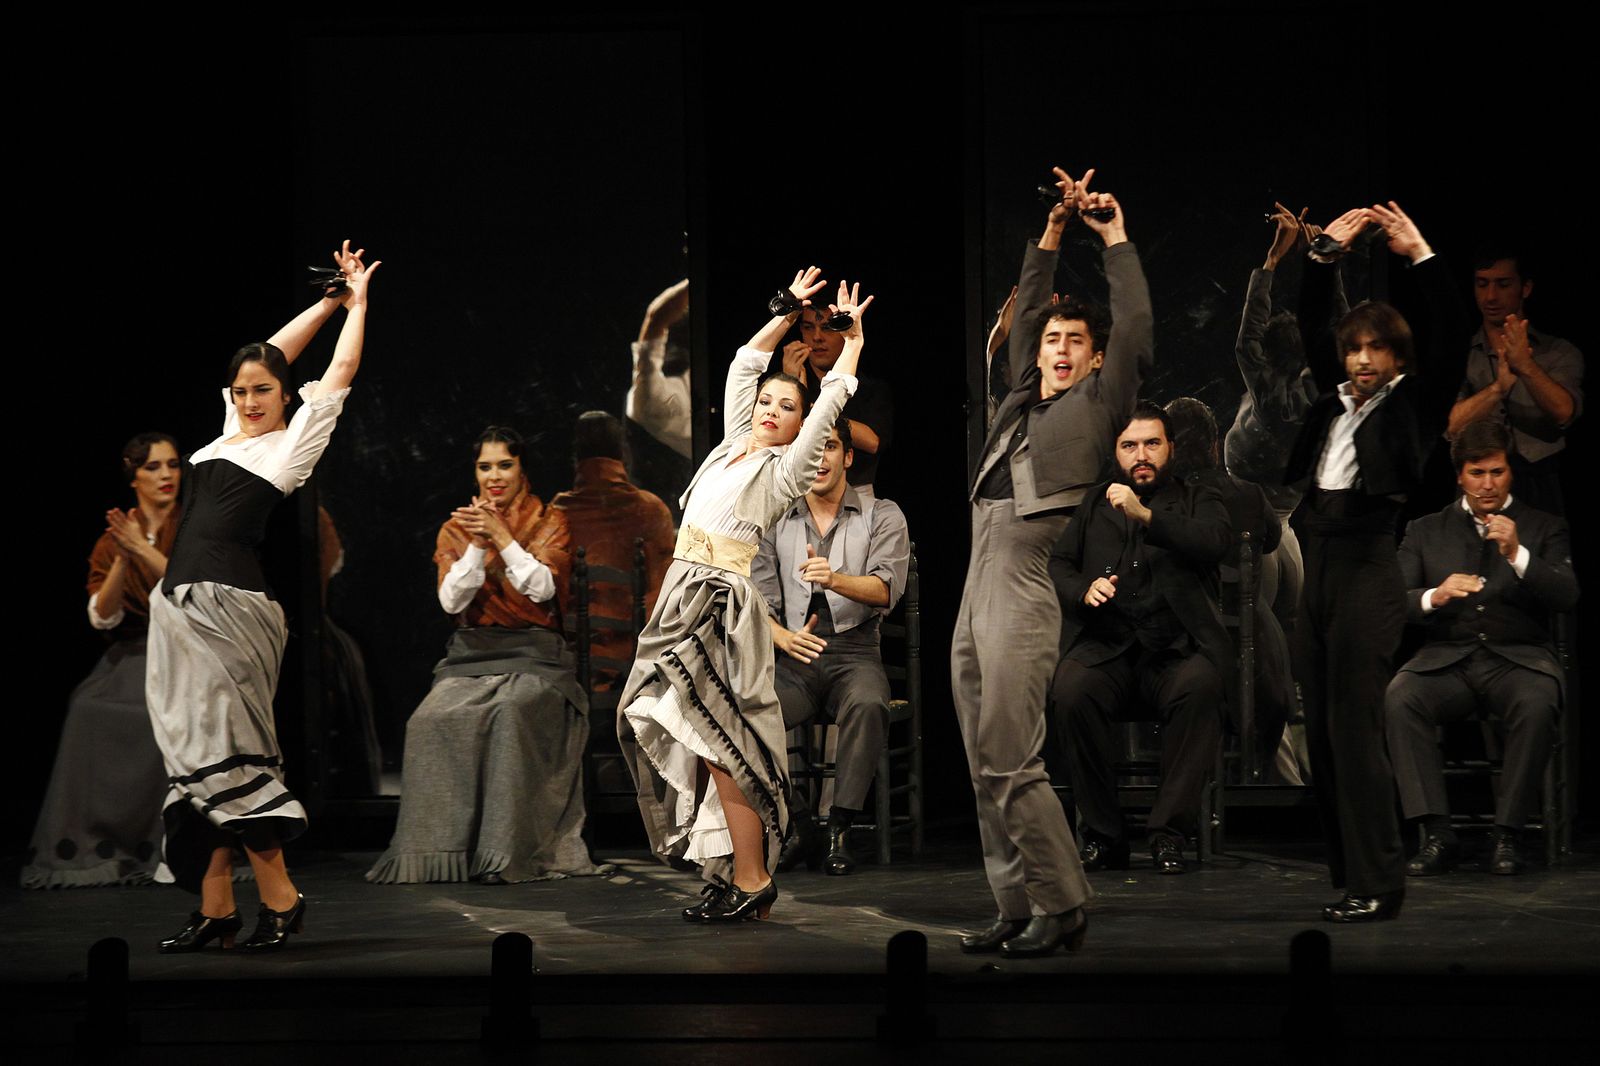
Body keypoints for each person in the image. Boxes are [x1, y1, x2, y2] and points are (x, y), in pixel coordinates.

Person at [618, 268, 872, 922]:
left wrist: (851, 342)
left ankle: (754, 876)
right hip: (682, 593)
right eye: (769, 401)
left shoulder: (783, 470)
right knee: (692, 737)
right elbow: (744, 363)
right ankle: (728, 868)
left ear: (796, 431)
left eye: (787, 408)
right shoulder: (732, 445)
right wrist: (788, 312)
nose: (773, 410)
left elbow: (829, 405)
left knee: (721, 742)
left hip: (719, 603)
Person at [146, 240, 377, 952]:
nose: (249, 400)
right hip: (179, 603)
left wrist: (358, 305)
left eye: (262, 391)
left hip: (231, 609)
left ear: (284, 398)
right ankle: (218, 908)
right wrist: (329, 298)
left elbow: (335, 372)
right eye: (242, 390)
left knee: (231, 753)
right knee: (191, 757)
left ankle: (280, 897)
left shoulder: (289, 447)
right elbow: (270, 350)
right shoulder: (224, 437)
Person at [954, 167, 1152, 958]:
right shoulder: (1016, 401)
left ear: (1096, 360)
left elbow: (1133, 324)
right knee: (979, 755)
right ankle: (1016, 903)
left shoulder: (1100, 403)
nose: (1059, 348)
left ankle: (1062, 901)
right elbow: (1029, 306)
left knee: (1009, 748)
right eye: (1051, 341)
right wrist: (1051, 233)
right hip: (978, 568)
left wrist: (1111, 237)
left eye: (1075, 342)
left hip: (1024, 573)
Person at [1285, 202, 1468, 923]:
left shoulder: (1411, 406)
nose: (1361, 359)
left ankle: (1380, 881)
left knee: (1357, 728)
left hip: (1368, 565)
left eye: (1375, 350)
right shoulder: (1334, 404)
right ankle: (1350, 873)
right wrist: (1324, 251)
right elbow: (1310, 326)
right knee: (1324, 733)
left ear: (1397, 359)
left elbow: (1452, 334)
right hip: (1319, 561)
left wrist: (1419, 251)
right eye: (1354, 348)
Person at [367, 427, 608, 885]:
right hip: (470, 658)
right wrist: (479, 544)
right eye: (484, 466)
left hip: (536, 656)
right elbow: (451, 603)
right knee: (427, 722)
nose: (494, 476)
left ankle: (502, 852)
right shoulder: (457, 529)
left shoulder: (549, 519)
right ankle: (440, 852)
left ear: (523, 470)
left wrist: (503, 537)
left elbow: (542, 589)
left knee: (509, 714)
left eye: (504, 465)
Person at [1385, 419, 1577, 876]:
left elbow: (1567, 594)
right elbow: (1392, 601)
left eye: (1496, 472)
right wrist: (1436, 595)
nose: (1487, 484)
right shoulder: (1425, 530)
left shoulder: (1544, 526)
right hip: (1448, 659)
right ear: (1459, 475)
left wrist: (1518, 554)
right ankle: (1436, 832)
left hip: (1519, 658)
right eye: (1477, 473)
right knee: (1400, 697)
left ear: (1510, 472)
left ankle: (1506, 834)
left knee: (1537, 702)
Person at [1049, 403, 1231, 875]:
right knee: (1071, 690)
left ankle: (1168, 833)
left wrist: (1145, 516)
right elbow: (1060, 564)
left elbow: (1214, 542)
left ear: (1170, 447)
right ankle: (1104, 835)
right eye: (1129, 446)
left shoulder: (1198, 495)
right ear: (1116, 452)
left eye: (1152, 444)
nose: (1141, 455)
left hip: (1173, 648)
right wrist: (1082, 589)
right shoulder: (1094, 502)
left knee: (1202, 686)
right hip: (1107, 645)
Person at [23, 434, 182, 888]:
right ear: (133, 476)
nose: (167, 475)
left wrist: (143, 548)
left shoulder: (193, 525)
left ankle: (171, 842)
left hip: (185, 650)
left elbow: (188, 587)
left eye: (172, 465)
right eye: (153, 467)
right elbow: (102, 616)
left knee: (164, 715)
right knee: (87, 707)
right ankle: (101, 841)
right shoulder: (110, 542)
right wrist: (122, 557)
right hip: (133, 651)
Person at [753, 421, 910, 874]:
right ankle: (801, 821)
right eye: (811, 451)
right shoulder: (777, 517)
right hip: (795, 654)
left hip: (854, 652)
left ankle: (840, 826)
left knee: (868, 704)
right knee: (748, 712)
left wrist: (835, 578)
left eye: (830, 448)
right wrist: (781, 635)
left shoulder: (882, 513)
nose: (820, 459)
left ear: (848, 457)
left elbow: (885, 590)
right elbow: (760, 599)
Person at [1166, 396, 1301, 784]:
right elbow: (1271, 541)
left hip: (1189, 637)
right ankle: (1254, 772)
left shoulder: (1164, 500)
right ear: (1214, 444)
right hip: (1254, 647)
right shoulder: (1247, 494)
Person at [1446, 249, 1583, 515]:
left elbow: (1564, 412)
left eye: (1503, 284)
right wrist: (1497, 388)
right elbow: (1452, 426)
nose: (1491, 296)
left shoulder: (1559, 351)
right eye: (1482, 284)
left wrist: (1526, 366)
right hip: (1476, 488)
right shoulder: (1458, 355)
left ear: (1526, 288)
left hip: (1539, 489)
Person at [546, 411, 677, 686]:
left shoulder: (558, 512)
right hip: (637, 661)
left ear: (576, 456)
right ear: (622, 450)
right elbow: (665, 597)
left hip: (570, 663)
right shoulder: (651, 510)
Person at [773, 303, 894, 495]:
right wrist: (790, 387)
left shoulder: (870, 387)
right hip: (797, 490)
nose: (817, 337)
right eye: (808, 327)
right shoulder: (791, 379)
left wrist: (809, 407)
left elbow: (872, 442)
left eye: (827, 328)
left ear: (844, 332)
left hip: (855, 492)